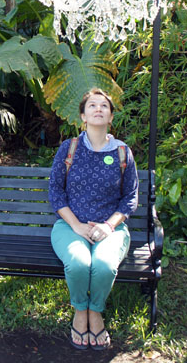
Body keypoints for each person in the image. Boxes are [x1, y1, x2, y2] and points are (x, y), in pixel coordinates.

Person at [48, 88, 139, 350]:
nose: (98, 109)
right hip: (70, 225)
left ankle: (95, 311)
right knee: (78, 263)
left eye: (104, 106)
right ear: (83, 116)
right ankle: (80, 310)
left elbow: (130, 198)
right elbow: (56, 191)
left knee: (104, 264)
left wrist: (109, 225)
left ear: (111, 117)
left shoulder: (123, 152)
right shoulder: (70, 148)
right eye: (92, 106)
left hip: (111, 228)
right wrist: (76, 225)